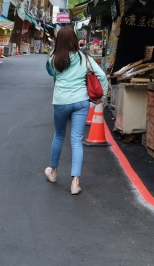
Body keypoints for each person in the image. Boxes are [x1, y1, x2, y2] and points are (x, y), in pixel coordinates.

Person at [44, 26, 109, 195]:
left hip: (61, 102)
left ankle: (53, 172)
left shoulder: (53, 59)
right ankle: (75, 183)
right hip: (81, 102)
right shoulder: (84, 58)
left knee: (59, 135)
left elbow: (52, 74)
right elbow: (102, 76)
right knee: (76, 140)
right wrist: (101, 97)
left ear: (58, 41)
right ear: (74, 40)